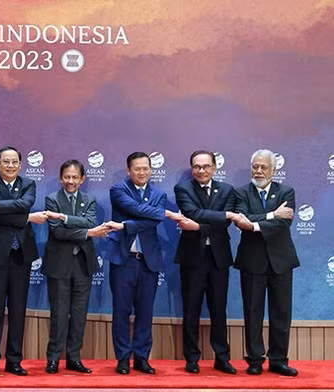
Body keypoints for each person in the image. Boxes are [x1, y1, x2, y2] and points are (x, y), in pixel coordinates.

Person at [0, 146, 59, 376]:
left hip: (21, 255)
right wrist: (26, 218)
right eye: (6, 162)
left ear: (20, 165)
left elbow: (24, 204)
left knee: (17, 309)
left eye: (14, 162)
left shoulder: (28, 185)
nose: (10, 166)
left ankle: (14, 360)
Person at [106, 152, 183, 375]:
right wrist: (164, 212)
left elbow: (151, 222)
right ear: (129, 170)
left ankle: (141, 357)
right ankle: (122, 358)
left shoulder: (159, 193)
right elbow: (138, 210)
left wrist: (126, 226)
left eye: (145, 169)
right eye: (137, 169)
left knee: (145, 312)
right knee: (121, 311)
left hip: (148, 260)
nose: (141, 172)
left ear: (151, 170)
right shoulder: (118, 190)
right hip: (123, 259)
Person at [42, 159, 114, 374]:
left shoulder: (90, 199)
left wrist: (66, 218)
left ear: (82, 179)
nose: (70, 181)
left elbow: (90, 221)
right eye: (67, 177)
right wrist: (88, 233)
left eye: (75, 177)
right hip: (58, 264)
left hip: (83, 263)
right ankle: (53, 358)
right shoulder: (52, 199)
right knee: (60, 313)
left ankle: (74, 357)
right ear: (60, 177)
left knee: (79, 313)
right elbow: (58, 232)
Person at [232, 149, 299, 376]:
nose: (258, 171)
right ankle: (255, 360)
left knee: (281, 313)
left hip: (281, 261)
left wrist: (254, 224)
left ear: (274, 170)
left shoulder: (286, 192)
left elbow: (284, 224)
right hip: (252, 262)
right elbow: (241, 219)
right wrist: (271, 216)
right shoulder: (241, 193)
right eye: (255, 166)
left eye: (263, 167)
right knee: (253, 312)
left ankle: (279, 360)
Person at [173, 150, 238, 374]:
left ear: (214, 167)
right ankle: (191, 358)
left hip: (219, 258)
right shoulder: (183, 189)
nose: (201, 170)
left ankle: (222, 357)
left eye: (206, 166)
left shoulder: (228, 190)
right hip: (193, 257)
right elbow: (192, 212)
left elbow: (224, 224)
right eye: (197, 166)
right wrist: (223, 215)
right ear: (192, 168)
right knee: (191, 309)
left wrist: (200, 225)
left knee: (219, 309)